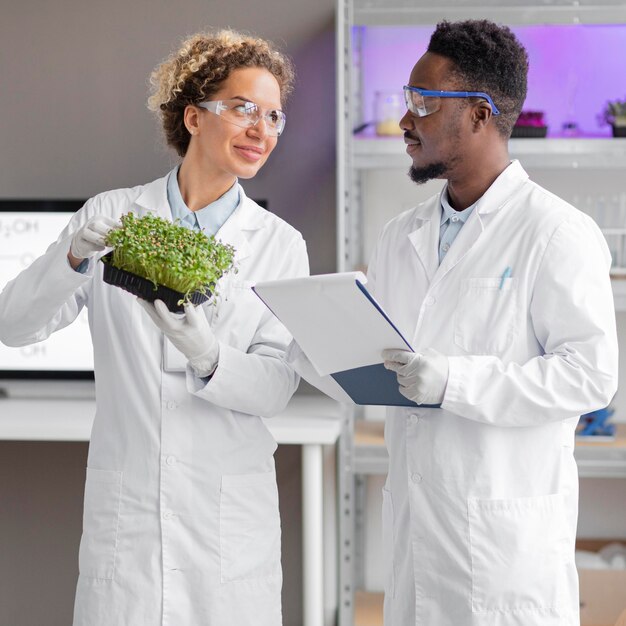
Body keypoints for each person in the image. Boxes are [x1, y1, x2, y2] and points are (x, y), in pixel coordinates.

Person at [289, 19, 618, 626]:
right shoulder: (401, 236)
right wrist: (304, 343)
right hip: (417, 543)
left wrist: (454, 382)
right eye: (406, 102)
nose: (405, 120)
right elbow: (380, 368)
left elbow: (589, 378)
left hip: (503, 555)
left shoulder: (555, 232)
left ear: (481, 114)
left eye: (423, 101)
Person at [0, 30, 308, 626]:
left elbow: (276, 387)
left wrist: (208, 354)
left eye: (274, 116)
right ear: (193, 116)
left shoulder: (279, 245)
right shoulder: (112, 216)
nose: (262, 129)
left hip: (226, 527)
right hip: (130, 523)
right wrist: (71, 261)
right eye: (243, 109)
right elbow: (13, 325)